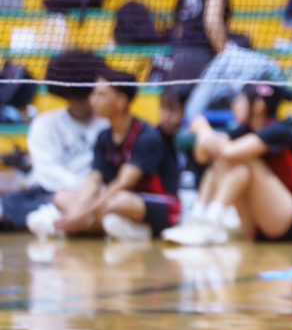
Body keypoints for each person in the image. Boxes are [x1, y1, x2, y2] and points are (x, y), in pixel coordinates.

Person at [28, 67, 181, 241]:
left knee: (118, 200)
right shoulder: (104, 136)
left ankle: (67, 225)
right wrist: (79, 211)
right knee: (61, 196)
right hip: (115, 201)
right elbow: (94, 179)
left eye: (101, 95)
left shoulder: (147, 136)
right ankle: (112, 226)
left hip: (159, 204)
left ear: (121, 102)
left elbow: (123, 183)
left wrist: (82, 214)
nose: (93, 100)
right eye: (94, 94)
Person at [163, 83, 292, 245]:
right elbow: (202, 157)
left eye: (239, 101)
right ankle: (198, 218)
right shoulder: (242, 131)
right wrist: (204, 135)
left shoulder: (277, 130)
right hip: (261, 219)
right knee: (227, 161)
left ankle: (210, 223)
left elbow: (229, 151)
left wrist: (204, 130)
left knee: (243, 160)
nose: (234, 106)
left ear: (258, 106)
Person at [1, 51, 108, 231]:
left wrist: (90, 193)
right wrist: (79, 190)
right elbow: (48, 173)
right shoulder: (45, 124)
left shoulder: (107, 125)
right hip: (50, 193)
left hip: (97, 194)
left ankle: (67, 220)